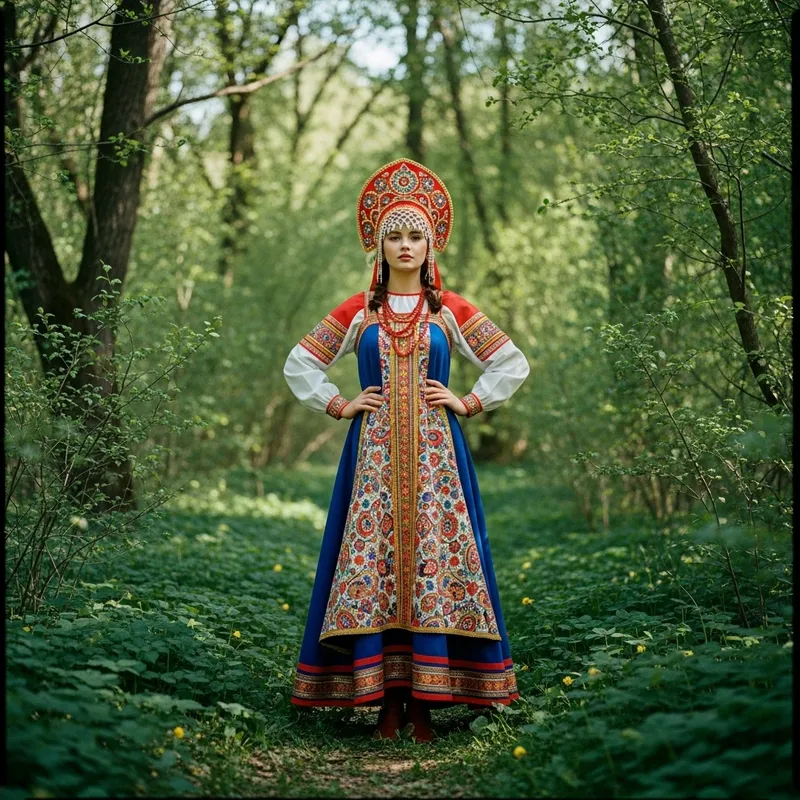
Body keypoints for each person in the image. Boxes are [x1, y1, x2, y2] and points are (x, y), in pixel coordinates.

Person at [283, 159, 530, 742]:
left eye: (415, 234)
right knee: (375, 566)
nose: (405, 245)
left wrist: (468, 401)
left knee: (432, 566)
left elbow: (511, 362)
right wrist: (338, 404)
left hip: (437, 463)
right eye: (394, 235)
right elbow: (300, 362)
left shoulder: (451, 311)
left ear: (431, 242)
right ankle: (382, 703)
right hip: (371, 460)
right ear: (378, 243)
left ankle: (424, 701)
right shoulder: (358, 311)